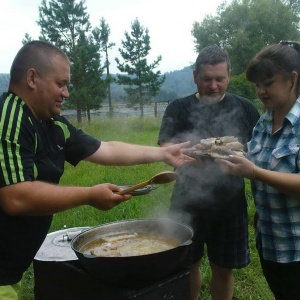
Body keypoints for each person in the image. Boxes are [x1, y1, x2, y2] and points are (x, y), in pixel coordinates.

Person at [0, 40, 193, 300]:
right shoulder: (9, 117)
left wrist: (162, 153)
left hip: (11, 267)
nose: (66, 93)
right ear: (32, 78)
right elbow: (15, 198)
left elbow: (106, 149)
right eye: (61, 83)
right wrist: (89, 195)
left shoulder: (51, 123)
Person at [158, 45, 260, 300]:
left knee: (223, 269)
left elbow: (258, 150)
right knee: (186, 265)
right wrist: (188, 154)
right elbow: (166, 145)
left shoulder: (245, 108)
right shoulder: (178, 108)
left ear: (229, 75)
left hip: (230, 203)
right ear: (195, 76)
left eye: (220, 79)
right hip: (187, 201)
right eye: (207, 79)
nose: (213, 85)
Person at [220, 40, 300, 300]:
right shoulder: (264, 122)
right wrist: (226, 155)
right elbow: (254, 160)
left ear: (292, 79)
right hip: (269, 240)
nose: (261, 91)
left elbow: (257, 170)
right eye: (257, 85)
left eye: (268, 83)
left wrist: (254, 172)